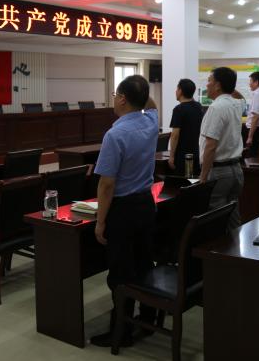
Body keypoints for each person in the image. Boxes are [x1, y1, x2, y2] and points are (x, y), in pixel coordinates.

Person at [91, 75, 159, 348]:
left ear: (121, 99)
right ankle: (148, 318)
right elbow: (151, 105)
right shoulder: (151, 122)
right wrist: (141, 94)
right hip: (146, 205)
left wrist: (100, 222)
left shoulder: (115, 134)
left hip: (123, 211)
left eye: (115, 94)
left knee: (120, 273)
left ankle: (121, 331)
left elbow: (106, 184)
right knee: (144, 264)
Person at [199, 67, 245, 229]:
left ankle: (219, 245)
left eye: (209, 81)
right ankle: (235, 244)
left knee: (215, 220)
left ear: (218, 85)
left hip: (219, 172)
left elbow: (211, 146)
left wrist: (203, 177)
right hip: (236, 170)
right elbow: (241, 97)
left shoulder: (216, 108)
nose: (206, 85)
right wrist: (230, 86)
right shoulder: (236, 104)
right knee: (232, 216)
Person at [168, 79, 203, 177]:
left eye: (177, 89)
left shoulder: (178, 109)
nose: (175, 91)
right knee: (193, 181)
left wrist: (171, 156)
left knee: (183, 181)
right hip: (196, 152)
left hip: (182, 155)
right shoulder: (198, 106)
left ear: (180, 91)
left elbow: (175, 135)